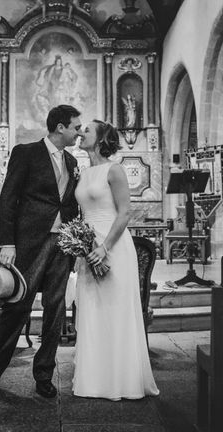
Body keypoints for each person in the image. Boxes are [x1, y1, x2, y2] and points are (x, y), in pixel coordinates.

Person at [0, 104, 83, 399]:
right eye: (76, 127)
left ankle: (43, 374)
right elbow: (8, 199)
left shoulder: (71, 161)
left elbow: (68, 204)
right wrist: (7, 242)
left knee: (56, 311)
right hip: (30, 243)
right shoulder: (26, 152)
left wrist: (76, 239)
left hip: (62, 245)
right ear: (60, 127)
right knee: (17, 307)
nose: (79, 132)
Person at [73, 119, 159, 400]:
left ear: (100, 139)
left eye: (87, 130)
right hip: (88, 247)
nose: (81, 132)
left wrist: (105, 247)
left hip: (113, 245)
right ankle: (95, 380)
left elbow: (124, 213)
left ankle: (122, 381)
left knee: (115, 309)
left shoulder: (114, 169)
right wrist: (82, 245)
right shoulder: (83, 172)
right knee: (92, 311)